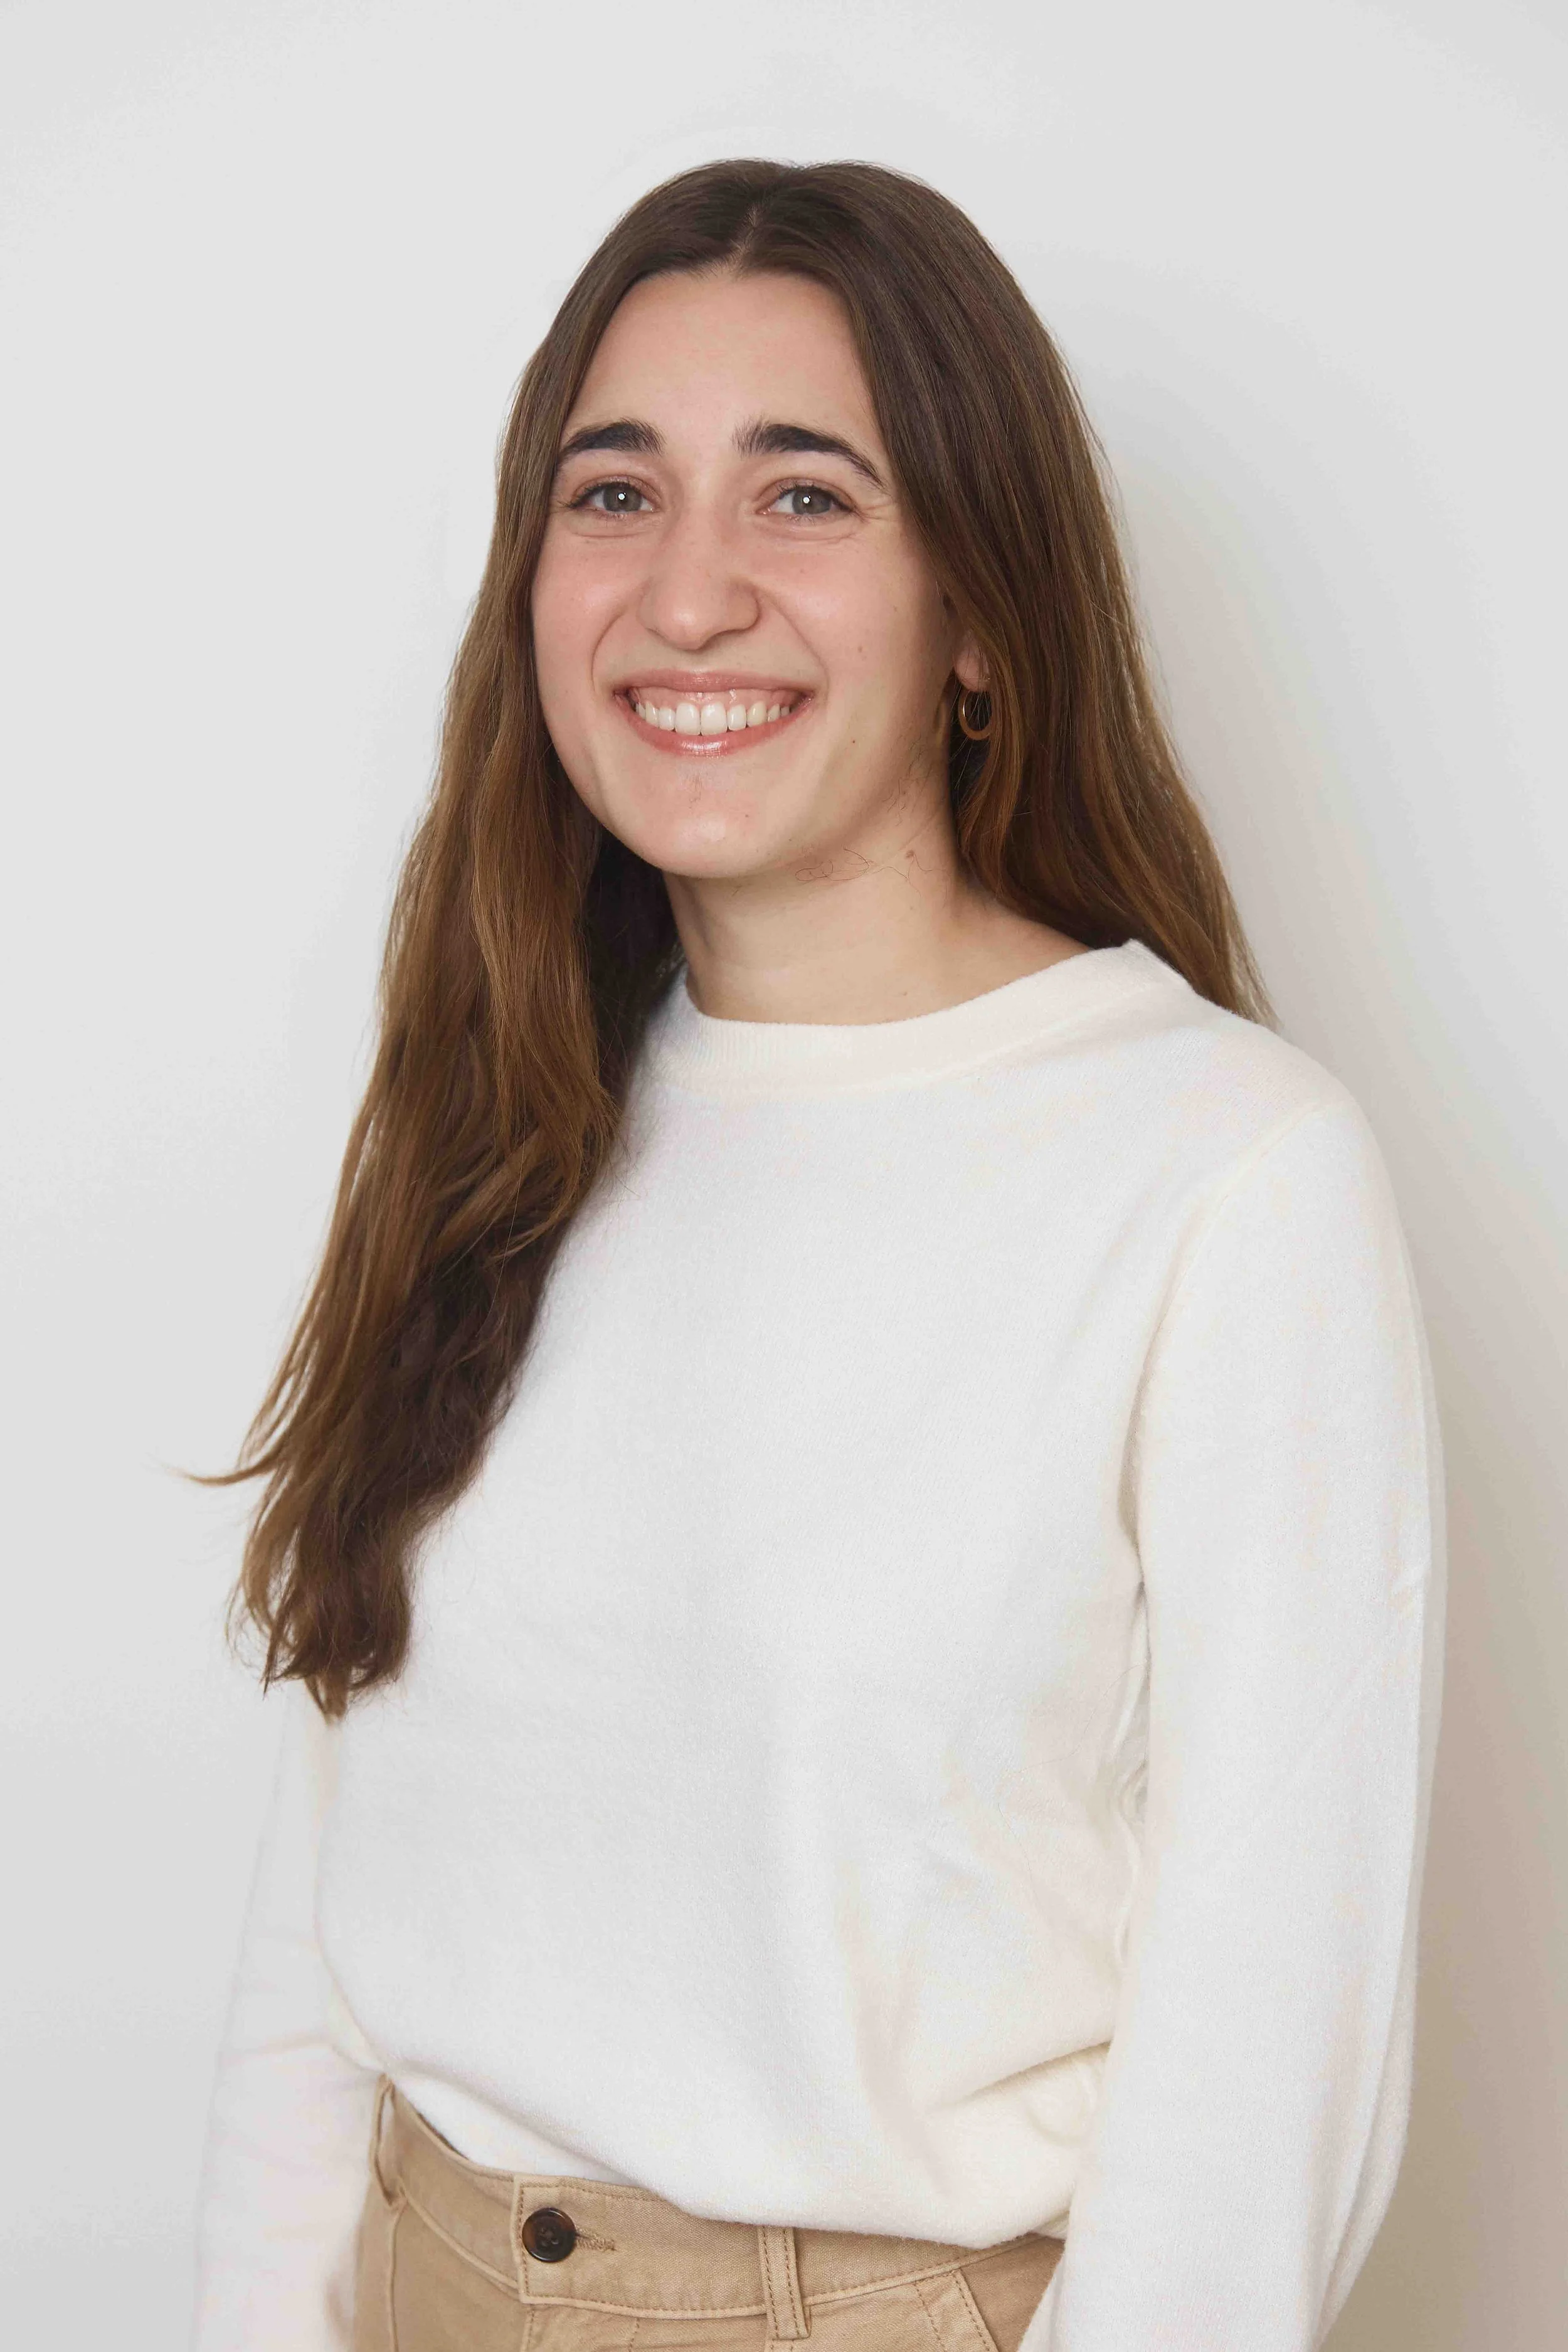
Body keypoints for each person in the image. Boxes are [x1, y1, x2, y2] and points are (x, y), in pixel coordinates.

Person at [191, 159, 1444, 2352]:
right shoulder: (503, 1117)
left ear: (979, 607)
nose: (686, 597)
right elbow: (340, 1906)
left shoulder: (1222, 1176)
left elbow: (1265, 2076)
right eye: (613, 494)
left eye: (803, 498)